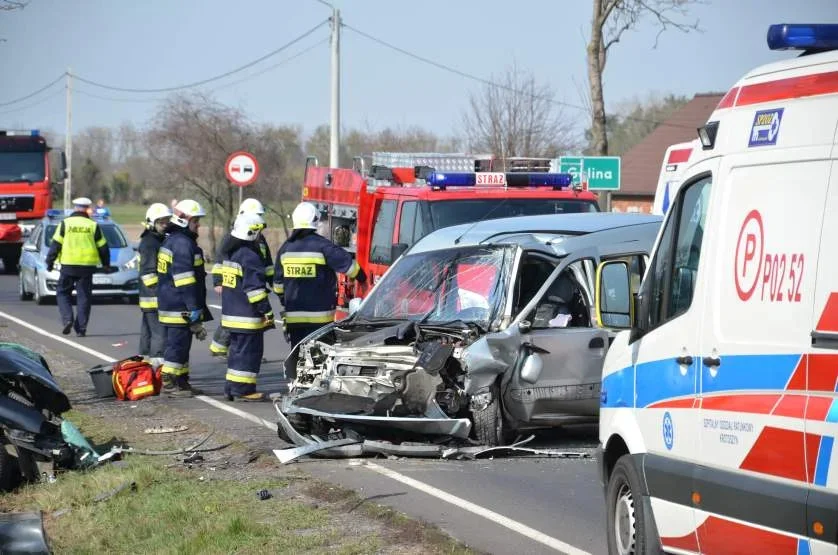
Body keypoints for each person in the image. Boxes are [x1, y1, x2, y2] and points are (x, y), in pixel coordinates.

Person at [274, 202, 366, 361]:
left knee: (298, 358)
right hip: (320, 319)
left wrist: (286, 300)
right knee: (319, 361)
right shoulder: (323, 246)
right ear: (315, 221)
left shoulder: (285, 249)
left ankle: (296, 383)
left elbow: (278, 285)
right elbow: (351, 268)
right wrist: (363, 279)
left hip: (294, 317)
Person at [156, 199, 211, 397]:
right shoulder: (181, 244)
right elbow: (185, 281)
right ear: (183, 220)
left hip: (172, 302)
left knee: (182, 346)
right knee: (177, 345)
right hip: (178, 305)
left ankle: (181, 381)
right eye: (196, 221)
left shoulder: (175, 241)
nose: (198, 225)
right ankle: (170, 382)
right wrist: (194, 308)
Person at [209, 197, 274, 357]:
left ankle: (236, 349)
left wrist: (272, 280)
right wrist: (218, 280)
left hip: (252, 280)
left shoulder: (259, 239)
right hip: (236, 283)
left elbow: (267, 262)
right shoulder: (233, 239)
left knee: (245, 317)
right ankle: (222, 347)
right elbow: (220, 260)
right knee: (239, 317)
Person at [220, 211, 274, 401]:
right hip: (247, 317)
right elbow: (255, 290)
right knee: (248, 354)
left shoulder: (233, 254)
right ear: (251, 233)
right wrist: (266, 311)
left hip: (232, 315)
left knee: (236, 353)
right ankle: (244, 390)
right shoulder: (250, 256)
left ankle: (231, 388)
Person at [45, 197, 109, 337]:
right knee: (84, 297)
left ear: (75, 208)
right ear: (87, 209)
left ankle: (68, 319)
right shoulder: (92, 225)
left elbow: (56, 245)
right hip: (86, 267)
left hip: (68, 265)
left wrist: (49, 262)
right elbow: (103, 247)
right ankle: (81, 328)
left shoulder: (65, 224)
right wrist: (106, 265)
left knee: (62, 293)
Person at [137, 203, 172, 368]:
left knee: (148, 333)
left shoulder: (155, 240)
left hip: (149, 297)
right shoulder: (150, 243)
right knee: (159, 333)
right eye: (161, 222)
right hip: (154, 297)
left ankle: (144, 366)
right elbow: (149, 274)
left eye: (166, 222)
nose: (165, 225)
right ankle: (159, 367)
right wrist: (163, 293)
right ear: (152, 222)